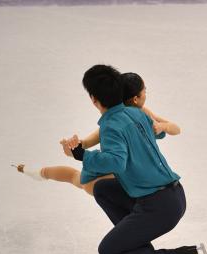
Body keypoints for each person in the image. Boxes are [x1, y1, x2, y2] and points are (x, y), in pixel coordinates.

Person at [61, 64, 207, 254]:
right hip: (174, 195)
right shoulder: (137, 113)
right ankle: (137, 247)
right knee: (103, 189)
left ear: (94, 99)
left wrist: (81, 155)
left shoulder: (111, 126)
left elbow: (115, 162)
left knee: (108, 252)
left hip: (159, 207)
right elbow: (161, 132)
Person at [15, 72, 180, 196]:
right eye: (145, 90)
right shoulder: (128, 116)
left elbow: (176, 128)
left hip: (125, 168)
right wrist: (80, 146)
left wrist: (162, 127)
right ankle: (40, 172)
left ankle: (41, 173)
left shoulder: (140, 114)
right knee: (76, 178)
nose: (146, 93)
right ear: (136, 98)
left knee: (75, 178)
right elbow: (98, 136)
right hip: (115, 167)